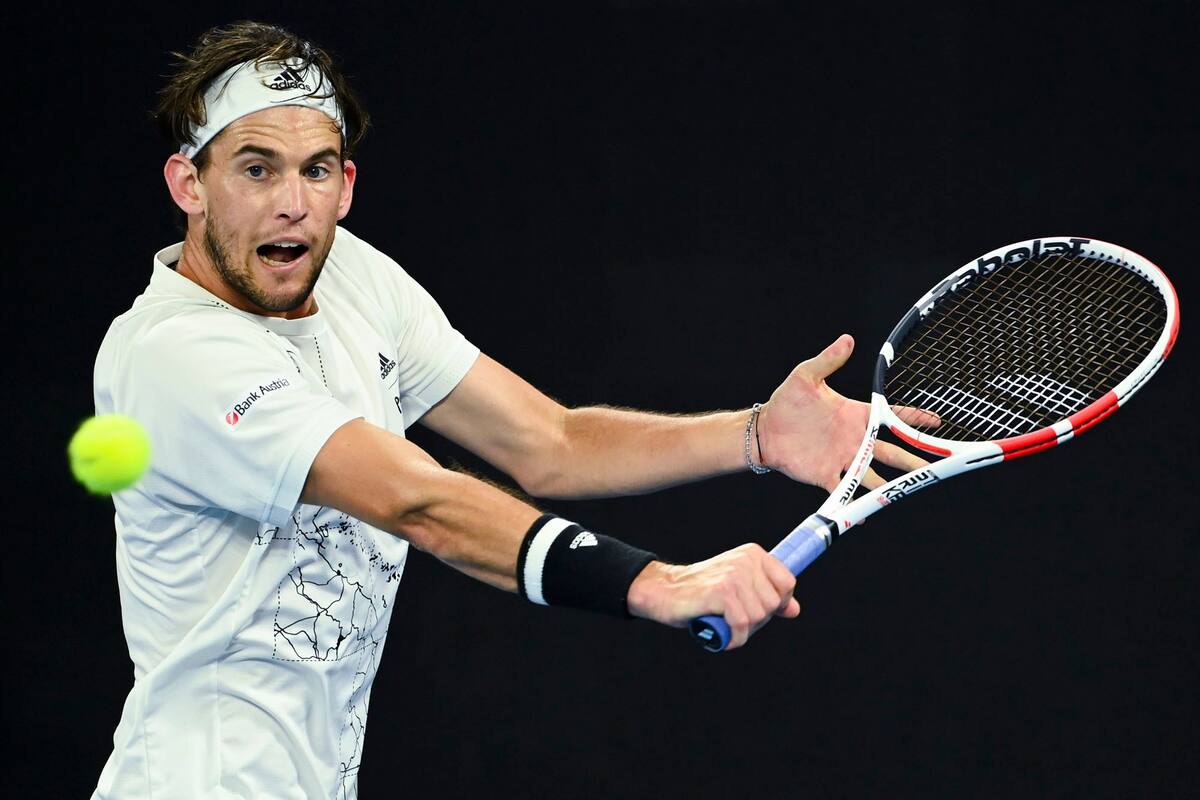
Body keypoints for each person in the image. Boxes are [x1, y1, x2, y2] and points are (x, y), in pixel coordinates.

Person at [91, 21, 934, 799]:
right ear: (188, 184)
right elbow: (420, 500)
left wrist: (754, 434)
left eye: (316, 169)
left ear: (345, 185)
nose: (291, 202)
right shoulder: (172, 354)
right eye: (255, 167)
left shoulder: (349, 276)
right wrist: (655, 582)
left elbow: (549, 442)